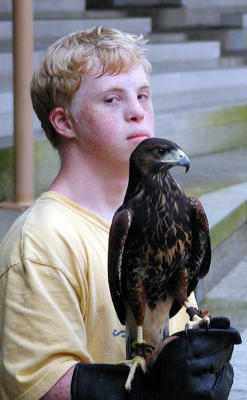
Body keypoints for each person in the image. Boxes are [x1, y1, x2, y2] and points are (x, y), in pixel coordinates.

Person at [0, 26, 241, 400]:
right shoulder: (43, 240)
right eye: (112, 99)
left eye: (143, 95)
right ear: (64, 122)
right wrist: (156, 388)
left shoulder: (177, 212)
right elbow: (40, 385)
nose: (137, 112)